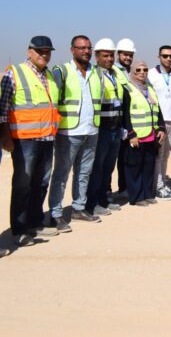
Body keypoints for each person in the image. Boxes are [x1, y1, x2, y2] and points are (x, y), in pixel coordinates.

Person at [0, 36, 61, 246]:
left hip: (47, 138)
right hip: (24, 140)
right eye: (40, 51)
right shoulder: (15, 73)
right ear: (29, 52)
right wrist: (6, 137)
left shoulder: (49, 76)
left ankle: (35, 222)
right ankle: (19, 229)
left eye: (47, 51)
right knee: (22, 185)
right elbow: (3, 110)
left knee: (41, 182)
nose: (44, 55)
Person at [48, 35, 103, 233]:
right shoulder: (62, 71)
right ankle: (55, 214)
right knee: (61, 174)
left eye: (88, 48)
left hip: (91, 130)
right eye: (81, 48)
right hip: (68, 132)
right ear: (72, 50)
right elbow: (53, 101)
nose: (86, 51)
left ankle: (79, 208)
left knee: (84, 173)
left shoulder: (97, 72)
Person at [86, 39, 126, 217]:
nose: (109, 59)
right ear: (97, 56)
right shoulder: (94, 74)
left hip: (115, 128)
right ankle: (92, 203)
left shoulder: (115, 74)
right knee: (97, 168)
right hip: (101, 128)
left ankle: (103, 199)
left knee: (108, 167)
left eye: (111, 55)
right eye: (105, 55)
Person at [122, 61, 165, 206]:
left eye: (145, 69)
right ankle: (137, 197)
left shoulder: (150, 88)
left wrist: (161, 128)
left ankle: (148, 194)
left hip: (151, 136)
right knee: (135, 168)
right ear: (133, 72)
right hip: (136, 136)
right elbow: (125, 115)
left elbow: (157, 110)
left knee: (148, 166)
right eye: (138, 70)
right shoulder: (127, 89)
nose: (142, 72)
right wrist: (131, 134)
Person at [148, 45, 171, 200]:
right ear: (159, 57)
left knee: (165, 155)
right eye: (165, 56)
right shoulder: (151, 74)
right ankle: (157, 187)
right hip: (158, 122)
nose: (169, 59)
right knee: (158, 155)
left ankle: (161, 183)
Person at [114, 38, 136, 197]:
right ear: (118, 54)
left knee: (126, 157)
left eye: (130, 55)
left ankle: (124, 187)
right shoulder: (114, 70)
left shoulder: (132, 71)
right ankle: (109, 190)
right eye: (125, 54)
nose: (128, 57)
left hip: (130, 118)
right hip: (118, 119)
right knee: (112, 159)